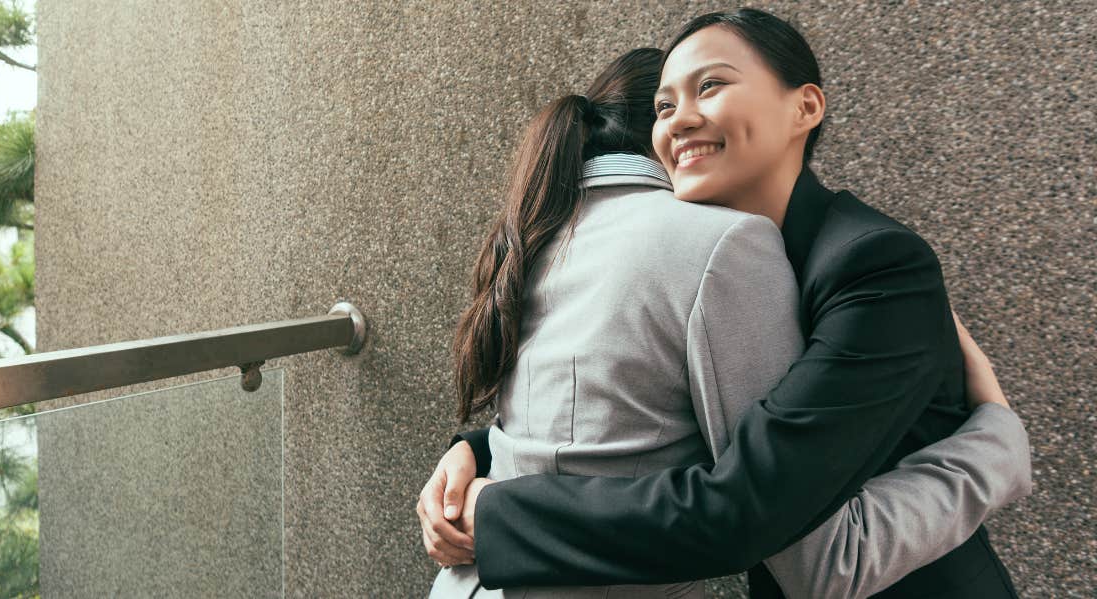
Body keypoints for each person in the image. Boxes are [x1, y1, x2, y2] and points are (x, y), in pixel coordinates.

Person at [421, 22, 1028, 598]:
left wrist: (997, 445)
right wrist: (479, 448)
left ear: (805, 107)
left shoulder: (873, 263)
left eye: (709, 85)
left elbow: (755, 512)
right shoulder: (732, 251)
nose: (680, 118)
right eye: (663, 105)